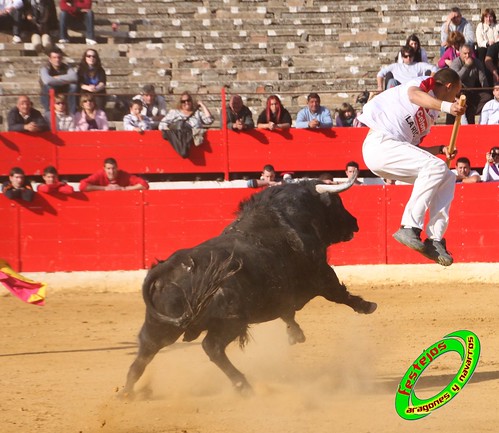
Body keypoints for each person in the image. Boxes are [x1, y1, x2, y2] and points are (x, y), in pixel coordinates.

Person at [358, 68, 466, 266]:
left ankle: (435, 239)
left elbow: (413, 149)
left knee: (446, 175)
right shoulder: (427, 83)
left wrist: (441, 149)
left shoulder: (429, 116)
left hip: (392, 150)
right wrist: (448, 107)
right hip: (380, 143)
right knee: (435, 168)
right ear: (448, 87)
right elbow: (413, 95)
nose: (456, 98)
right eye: (456, 93)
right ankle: (409, 227)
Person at [449, 43, 491, 124]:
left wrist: (486, 89)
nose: (467, 55)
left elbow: (482, 78)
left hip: (472, 91)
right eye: (465, 53)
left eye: (469, 53)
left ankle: (473, 110)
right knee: (464, 98)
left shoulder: (476, 62)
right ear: (460, 53)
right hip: (458, 92)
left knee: (487, 97)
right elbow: (456, 78)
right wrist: (466, 66)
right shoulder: (455, 63)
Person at [39, 47, 78, 114]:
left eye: (59, 57)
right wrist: (65, 79)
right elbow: (47, 80)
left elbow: (74, 77)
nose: (57, 60)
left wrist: (56, 77)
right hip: (51, 90)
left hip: (64, 89)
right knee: (48, 87)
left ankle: (72, 113)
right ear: (50, 59)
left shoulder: (67, 67)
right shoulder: (45, 68)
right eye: (54, 57)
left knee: (73, 86)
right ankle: (49, 112)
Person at [79, 157, 149, 192]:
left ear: (117, 168)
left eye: (114, 168)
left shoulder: (123, 175)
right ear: (104, 169)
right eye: (108, 168)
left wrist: (123, 188)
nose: (111, 171)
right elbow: (82, 186)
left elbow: (144, 185)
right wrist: (105, 188)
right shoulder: (99, 174)